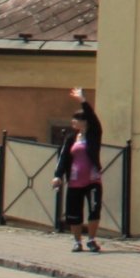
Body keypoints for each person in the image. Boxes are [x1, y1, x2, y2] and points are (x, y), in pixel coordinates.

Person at [57, 88, 105, 252]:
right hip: (75, 181)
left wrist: (83, 100)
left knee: (94, 208)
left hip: (92, 180)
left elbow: (94, 118)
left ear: (84, 121)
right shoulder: (71, 138)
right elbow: (63, 157)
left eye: (75, 121)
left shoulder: (94, 135)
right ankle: (77, 241)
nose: (73, 124)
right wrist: (58, 176)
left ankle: (91, 239)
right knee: (74, 213)